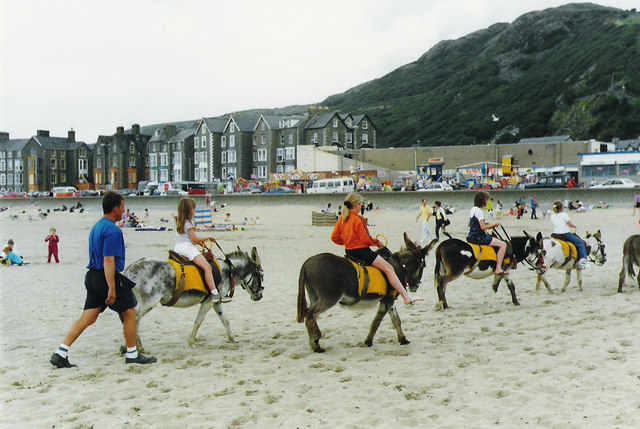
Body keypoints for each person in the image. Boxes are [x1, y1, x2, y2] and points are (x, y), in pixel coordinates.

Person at [49, 192, 156, 368]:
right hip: (104, 276)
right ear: (115, 209)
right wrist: (112, 288)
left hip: (91, 276)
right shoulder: (113, 230)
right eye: (122, 207)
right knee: (130, 311)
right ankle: (132, 354)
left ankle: (61, 352)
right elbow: (108, 260)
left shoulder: (97, 226)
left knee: (87, 318)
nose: (123, 211)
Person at [331, 192, 423, 305]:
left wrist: (347, 242)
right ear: (356, 205)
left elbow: (334, 238)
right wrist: (376, 242)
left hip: (349, 251)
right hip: (362, 252)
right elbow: (365, 238)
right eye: (360, 205)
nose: (361, 207)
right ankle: (406, 297)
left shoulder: (342, 219)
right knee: (389, 268)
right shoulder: (358, 219)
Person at [174, 197, 227, 301]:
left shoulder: (179, 222)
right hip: (188, 249)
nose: (194, 211)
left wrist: (201, 242)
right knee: (207, 267)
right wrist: (207, 238)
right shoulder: (189, 223)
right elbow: (193, 240)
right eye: (193, 208)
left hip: (178, 248)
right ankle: (214, 293)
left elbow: (188, 239)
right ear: (188, 210)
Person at [467, 191, 508, 275]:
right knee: (503, 245)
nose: (487, 201)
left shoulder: (473, 209)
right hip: (480, 237)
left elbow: (469, 224)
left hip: (471, 236)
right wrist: (493, 225)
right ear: (482, 200)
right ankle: (498, 268)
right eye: (486, 199)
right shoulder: (479, 211)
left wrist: (485, 224)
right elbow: (482, 228)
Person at [550, 201, 588, 269]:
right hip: (565, 233)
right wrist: (574, 226)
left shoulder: (552, 216)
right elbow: (569, 224)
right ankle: (583, 260)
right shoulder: (564, 214)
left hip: (556, 234)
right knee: (580, 243)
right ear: (561, 208)